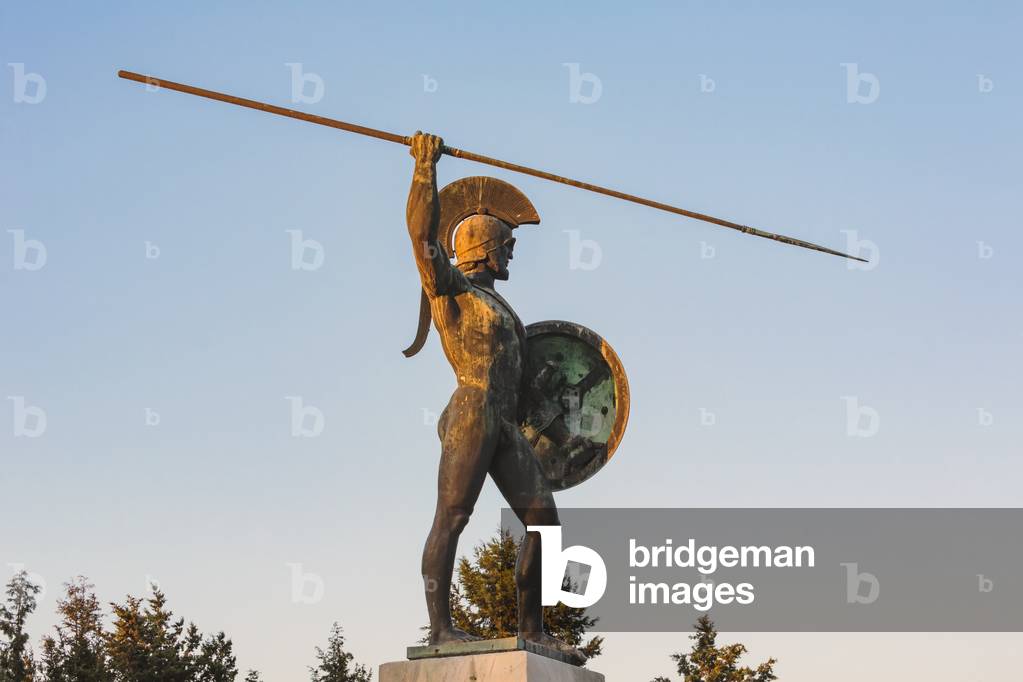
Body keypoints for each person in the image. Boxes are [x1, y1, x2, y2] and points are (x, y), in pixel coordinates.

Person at [406, 131, 585, 664]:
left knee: (545, 523)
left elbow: (531, 389)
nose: (513, 253)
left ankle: (534, 629)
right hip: (471, 411)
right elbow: (421, 237)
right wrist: (424, 168)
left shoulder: (502, 307)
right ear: (485, 247)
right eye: (508, 245)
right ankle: (441, 629)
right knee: (453, 517)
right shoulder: (453, 291)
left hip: (504, 422)